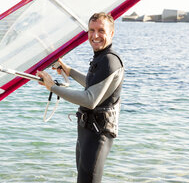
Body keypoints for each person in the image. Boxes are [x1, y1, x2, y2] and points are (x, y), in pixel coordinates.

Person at [37, 12, 124, 183]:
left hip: (98, 135)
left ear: (111, 33)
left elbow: (90, 99)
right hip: (87, 131)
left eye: (101, 30)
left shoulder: (109, 61)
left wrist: (52, 87)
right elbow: (92, 84)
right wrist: (69, 71)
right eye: (91, 30)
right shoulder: (101, 58)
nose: (95, 35)